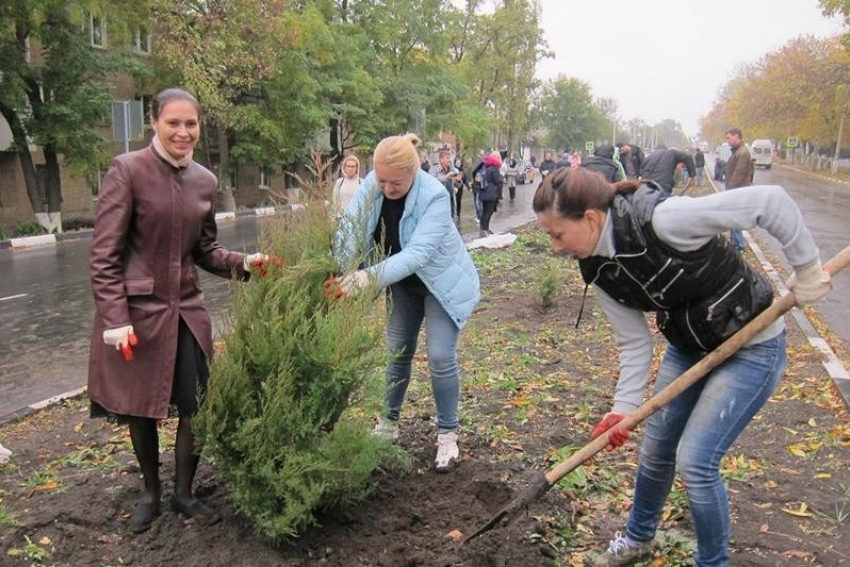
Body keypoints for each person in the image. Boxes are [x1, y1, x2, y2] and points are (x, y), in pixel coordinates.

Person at [532, 167, 831, 566]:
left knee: (696, 460)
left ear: (589, 218)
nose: (555, 247)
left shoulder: (663, 219)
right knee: (656, 448)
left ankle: (712, 562)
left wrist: (807, 267)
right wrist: (623, 408)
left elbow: (769, 201)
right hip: (690, 346)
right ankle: (638, 540)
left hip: (752, 344)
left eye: (557, 234)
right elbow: (635, 342)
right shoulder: (597, 269)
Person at [88, 88, 272, 533]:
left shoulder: (204, 181)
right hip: (138, 314)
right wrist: (114, 318)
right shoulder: (127, 171)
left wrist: (243, 264)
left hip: (186, 310)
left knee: (196, 406)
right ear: (154, 122)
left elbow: (206, 250)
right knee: (141, 408)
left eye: (191, 124)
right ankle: (150, 493)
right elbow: (104, 255)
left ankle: (184, 493)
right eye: (173, 123)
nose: (183, 132)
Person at [334, 133, 481, 472]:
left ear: (414, 171)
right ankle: (388, 425)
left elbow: (418, 254)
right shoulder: (374, 183)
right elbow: (350, 229)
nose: (387, 187)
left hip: (441, 284)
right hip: (401, 284)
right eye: (381, 179)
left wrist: (364, 278)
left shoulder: (434, 195)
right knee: (397, 352)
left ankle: (447, 434)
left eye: (395, 182)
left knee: (440, 355)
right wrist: (340, 268)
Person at [723, 128, 755, 253]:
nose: (728, 141)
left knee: (734, 219)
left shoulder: (742, 153)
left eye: (729, 137)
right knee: (733, 219)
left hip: (737, 192)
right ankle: (736, 243)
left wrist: (730, 192)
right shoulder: (738, 152)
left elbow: (738, 174)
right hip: (736, 191)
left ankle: (739, 245)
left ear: (736, 136)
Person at [429, 150, 462, 221]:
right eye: (447, 158)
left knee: (452, 222)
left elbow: (457, 185)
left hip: (451, 201)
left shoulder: (452, 170)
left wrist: (458, 180)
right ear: (441, 159)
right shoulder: (434, 169)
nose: (449, 160)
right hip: (439, 202)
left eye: (450, 158)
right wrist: (446, 177)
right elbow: (432, 183)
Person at [478, 151, 503, 237]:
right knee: (489, 211)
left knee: (484, 211)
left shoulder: (485, 166)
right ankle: (485, 229)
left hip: (483, 191)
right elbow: (497, 181)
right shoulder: (495, 168)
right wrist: (502, 179)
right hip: (490, 193)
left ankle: (483, 229)